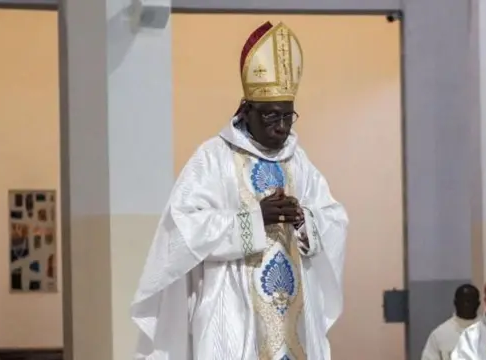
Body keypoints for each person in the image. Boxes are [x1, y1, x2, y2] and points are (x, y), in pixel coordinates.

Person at [130, 21, 349, 360]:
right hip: (232, 306)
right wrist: (252, 220)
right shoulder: (213, 158)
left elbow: (335, 219)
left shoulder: (298, 162)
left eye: (288, 117)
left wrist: (304, 219)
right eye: (270, 116)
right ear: (246, 111)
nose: (280, 127)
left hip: (294, 310)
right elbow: (183, 227)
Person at [421, 284, 480, 360]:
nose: (466, 305)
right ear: (455, 303)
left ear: (478, 304)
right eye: (463, 301)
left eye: (470, 301)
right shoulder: (439, 334)